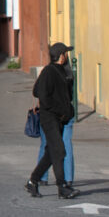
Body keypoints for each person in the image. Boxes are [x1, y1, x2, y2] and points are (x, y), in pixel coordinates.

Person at [29, 42, 76, 198]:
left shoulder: (62, 71)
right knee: (60, 151)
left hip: (59, 118)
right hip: (49, 118)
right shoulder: (49, 71)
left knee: (51, 152)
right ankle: (62, 187)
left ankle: (32, 181)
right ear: (61, 56)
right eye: (66, 54)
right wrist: (59, 109)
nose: (67, 56)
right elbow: (39, 93)